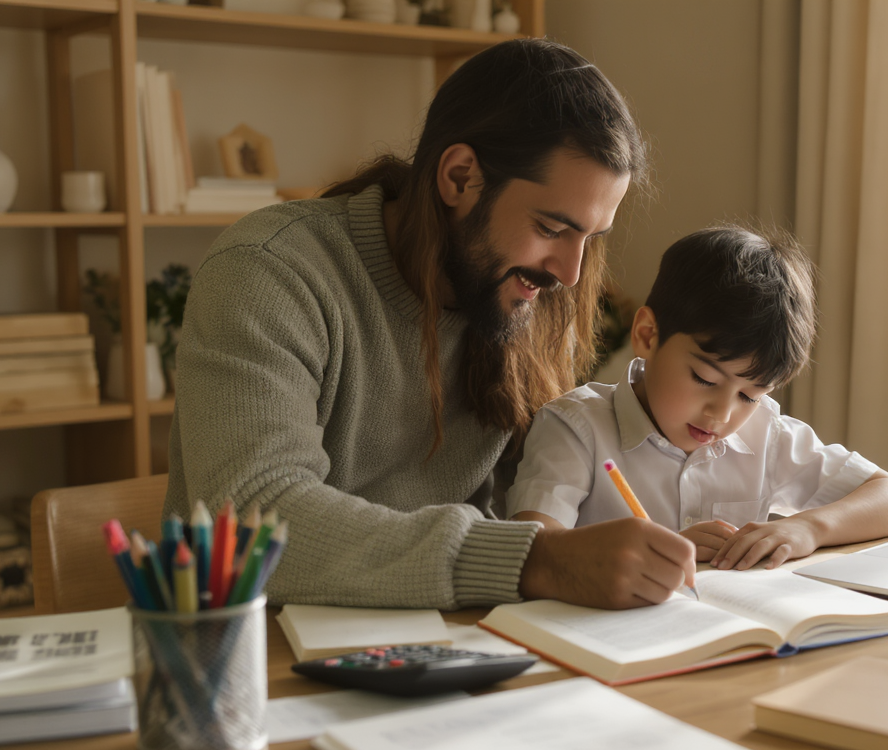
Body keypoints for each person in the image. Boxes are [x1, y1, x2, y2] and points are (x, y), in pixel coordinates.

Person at [164, 39, 699, 612]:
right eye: (551, 227)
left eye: (590, 239)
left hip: (447, 645)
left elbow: (545, 492)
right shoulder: (267, 272)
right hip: (259, 656)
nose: (569, 274)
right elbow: (256, 523)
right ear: (460, 176)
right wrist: (535, 561)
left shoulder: (523, 294)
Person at [506, 226, 888, 571]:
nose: (722, 414)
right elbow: (530, 554)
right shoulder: (575, 430)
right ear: (648, 335)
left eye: (749, 395)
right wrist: (659, 553)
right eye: (705, 379)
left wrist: (808, 528)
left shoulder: (766, 435)